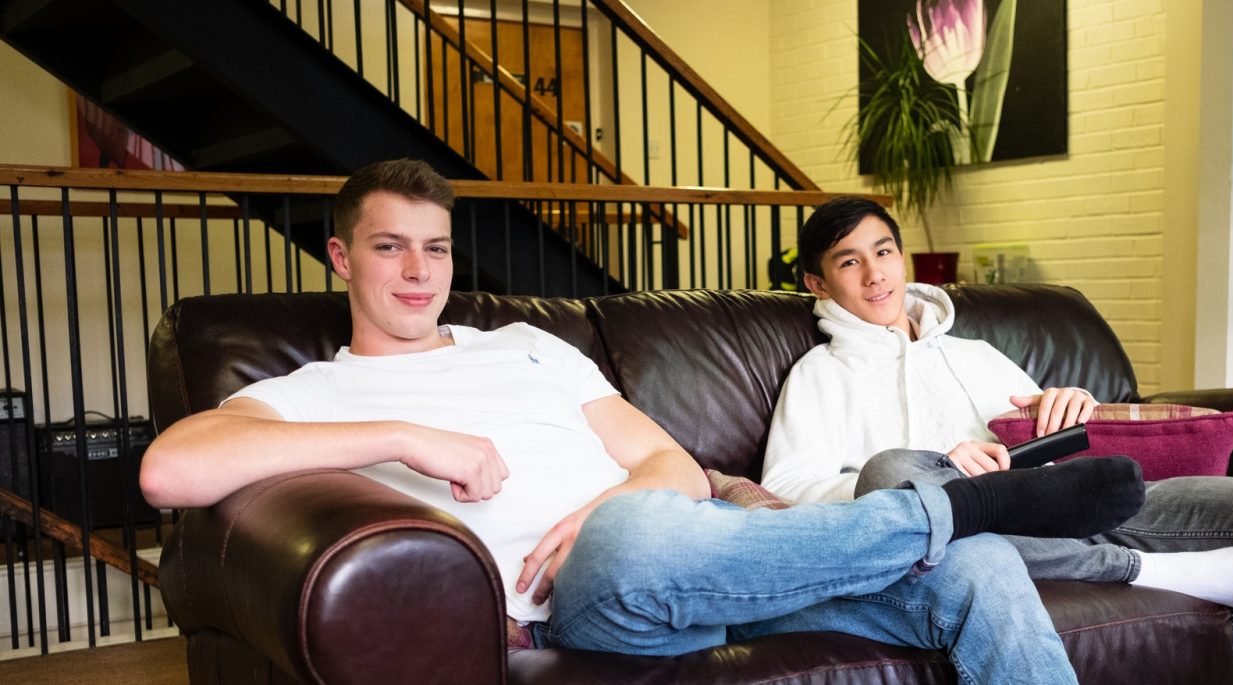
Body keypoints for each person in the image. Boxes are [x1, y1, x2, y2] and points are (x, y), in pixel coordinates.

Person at [139, 160, 1150, 684]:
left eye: (437, 248)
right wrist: (407, 438)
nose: (419, 272)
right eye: (391, 247)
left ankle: (952, 525)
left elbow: (668, 459)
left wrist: (621, 496)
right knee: (633, 534)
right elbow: (169, 472)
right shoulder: (316, 387)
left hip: (721, 557)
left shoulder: (529, 345)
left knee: (979, 571)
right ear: (338, 258)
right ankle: (956, 507)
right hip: (587, 597)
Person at [761, 197, 1233, 685]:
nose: (875, 273)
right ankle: (1148, 571)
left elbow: (1049, 437)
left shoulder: (974, 351)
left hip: (1084, 502)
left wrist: (1073, 406)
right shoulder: (819, 376)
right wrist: (935, 471)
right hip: (984, 535)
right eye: (850, 261)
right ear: (819, 283)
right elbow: (785, 492)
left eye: (883, 251)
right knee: (893, 475)